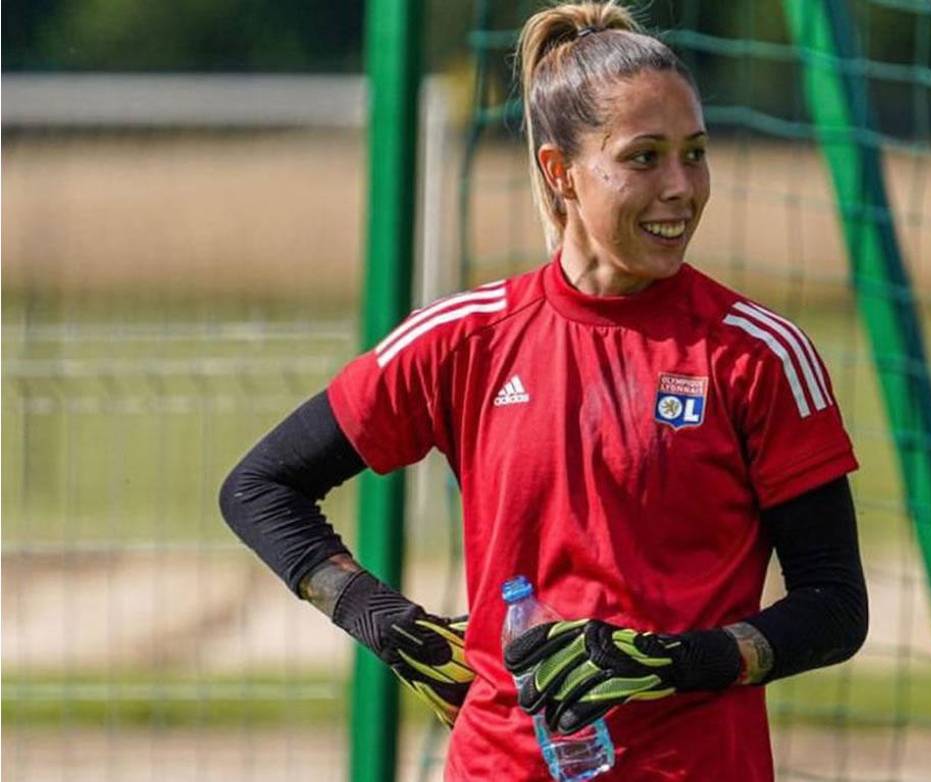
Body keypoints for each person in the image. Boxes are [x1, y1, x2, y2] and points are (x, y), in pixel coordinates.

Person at [219, 2, 868, 779]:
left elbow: (834, 609)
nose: (681, 187)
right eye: (643, 158)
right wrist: (384, 621)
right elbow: (260, 488)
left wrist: (675, 661)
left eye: (694, 154)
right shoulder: (466, 338)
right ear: (561, 172)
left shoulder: (757, 354)